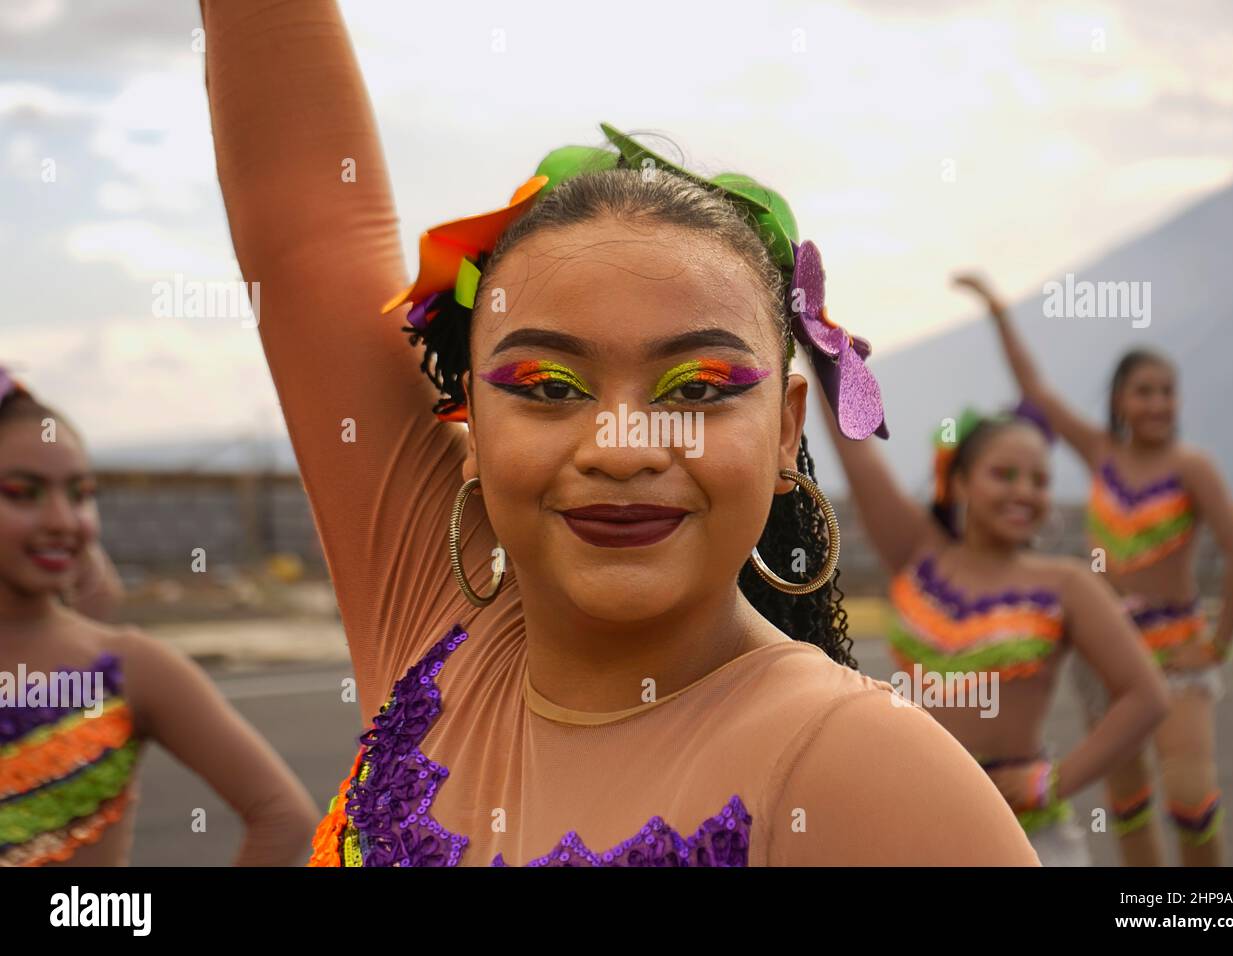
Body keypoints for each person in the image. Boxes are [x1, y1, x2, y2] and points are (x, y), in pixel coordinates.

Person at [200, 0, 1040, 866]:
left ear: (787, 432)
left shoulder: (868, 770)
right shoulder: (432, 626)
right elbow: (307, 228)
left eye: (699, 389)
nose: (622, 445)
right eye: (549, 386)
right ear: (473, 430)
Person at [961, 273, 1233, 865]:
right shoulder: (1101, 454)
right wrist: (998, 309)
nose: (1157, 403)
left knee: (1190, 798)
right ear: (1120, 400)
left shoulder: (1191, 466)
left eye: (1167, 391)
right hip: (1112, 655)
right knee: (1128, 802)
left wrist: (1218, 647)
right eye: (1144, 391)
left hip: (1178, 652)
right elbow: (1035, 391)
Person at [821, 381, 1169, 865]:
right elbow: (854, 451)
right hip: (915, 821)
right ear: (960, 482)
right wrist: (818, 340)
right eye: (1004, 475)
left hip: (1025, 834)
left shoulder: (1066, 583)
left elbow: (1146, 695)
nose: (1023, 492)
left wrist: (1054, 782)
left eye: (1039, 481)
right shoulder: (918, 555)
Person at [0, 370, 319, 865]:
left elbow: (281, 816)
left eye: (81, 494)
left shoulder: (129, 666)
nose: (63, 520)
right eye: (23, 492)